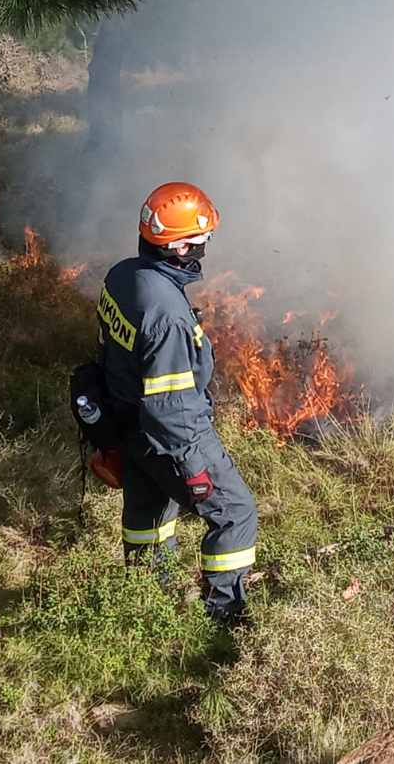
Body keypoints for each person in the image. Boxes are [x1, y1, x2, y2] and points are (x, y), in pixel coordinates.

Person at [89, 181, 258, 623]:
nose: (205, 246)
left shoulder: (122, 275)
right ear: (179, 245)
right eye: (201, 240)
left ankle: (148, 604)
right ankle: (225, 618)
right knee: (235, 512)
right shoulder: (166, 314)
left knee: (148, 515)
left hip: (129, 423)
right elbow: (172, 406)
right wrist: (194, 466)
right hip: (169, 434)